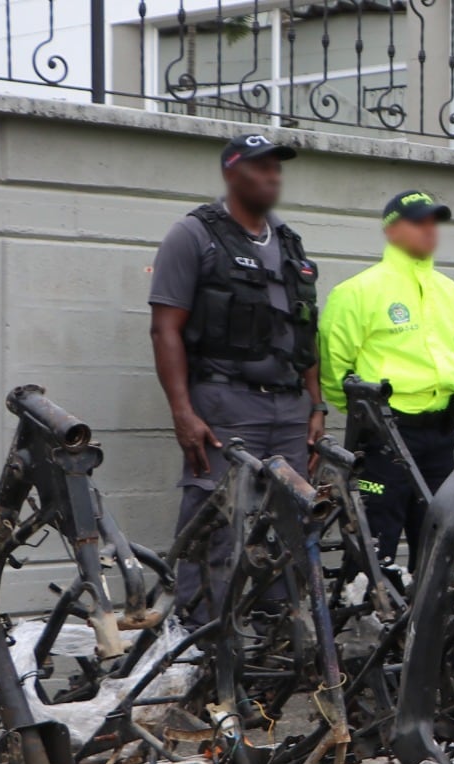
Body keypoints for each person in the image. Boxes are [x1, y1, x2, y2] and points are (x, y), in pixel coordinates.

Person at [148, 132, 324, 617]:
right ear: (231, 172)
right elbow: (165, 330)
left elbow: (305, 330)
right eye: (260, 167)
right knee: (215, 527)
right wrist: (182, 412)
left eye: (276, 168)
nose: (272, 176)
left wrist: (316, 405)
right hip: (225, 407)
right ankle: (198, 640)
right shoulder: (194, 235)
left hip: (289, 409)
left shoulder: (289, 242)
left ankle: (276, 641)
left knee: (288, 527)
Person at [319, 189, 454, 564]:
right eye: (418, 222)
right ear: (391, 230)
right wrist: (367, 420)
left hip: (440, 435)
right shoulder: (357, 291)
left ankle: (425, 607)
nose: (429, 230)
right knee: (375, 546)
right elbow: (334, 368)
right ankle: (366, 602)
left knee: (438, 544)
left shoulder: (450, 292)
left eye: (433, 222)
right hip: (383, 435)